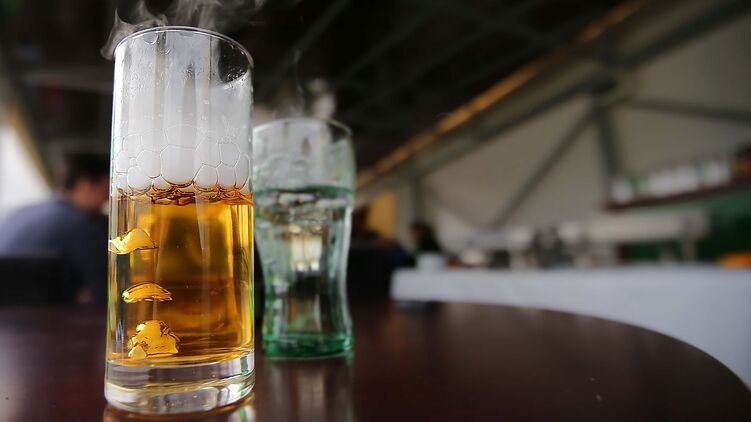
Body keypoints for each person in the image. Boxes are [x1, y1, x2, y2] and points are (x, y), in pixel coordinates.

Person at [0, 152, 109, 304]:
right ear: (85, 184)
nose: (107, 199)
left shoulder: (20, 213)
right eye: (107, 190)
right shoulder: (84, 225)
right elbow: (106, 288)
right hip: (48, 315)